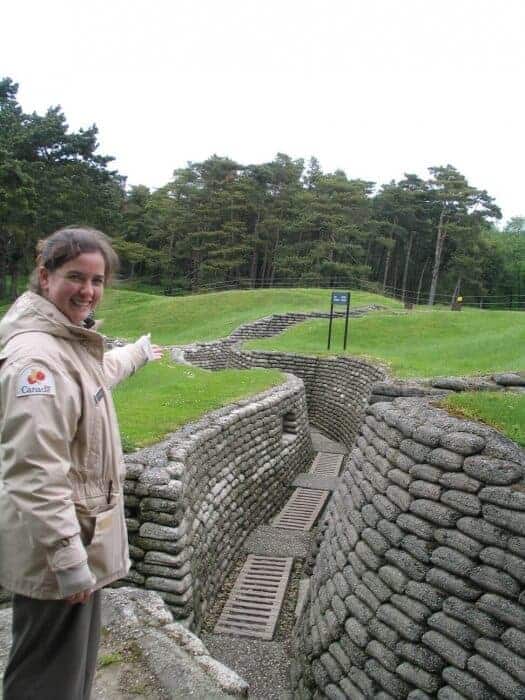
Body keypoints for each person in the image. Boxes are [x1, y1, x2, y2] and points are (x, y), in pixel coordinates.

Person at [0, 226, 163, 699]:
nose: (88, 291)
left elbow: (93, 376)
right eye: (76, 277)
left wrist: (137, 354)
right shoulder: (39, 360)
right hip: (59, 547)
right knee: (48, 678)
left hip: (74, 538)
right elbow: (34, 472)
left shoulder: (64, 342)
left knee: (68, 671)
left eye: (97, 280)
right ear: (45, 277)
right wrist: (71, 561)